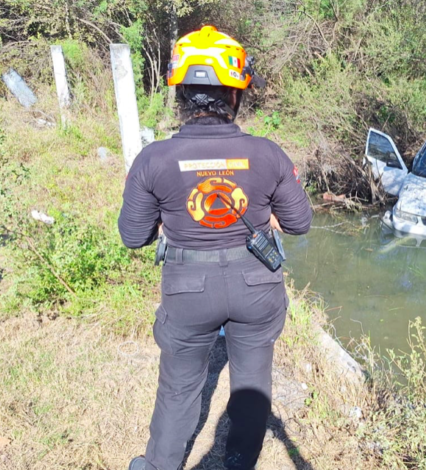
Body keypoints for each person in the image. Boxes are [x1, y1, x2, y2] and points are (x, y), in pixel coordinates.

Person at [118, 25, 312, 470]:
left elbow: (134, 236)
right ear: (235, 95)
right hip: (256, 285)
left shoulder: (153, 159)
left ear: (181, 92)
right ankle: (239, 462)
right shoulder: (268, 154)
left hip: (187, 289)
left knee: (179, 388)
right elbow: (300, 222)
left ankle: (158, 465)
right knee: (252, 383)